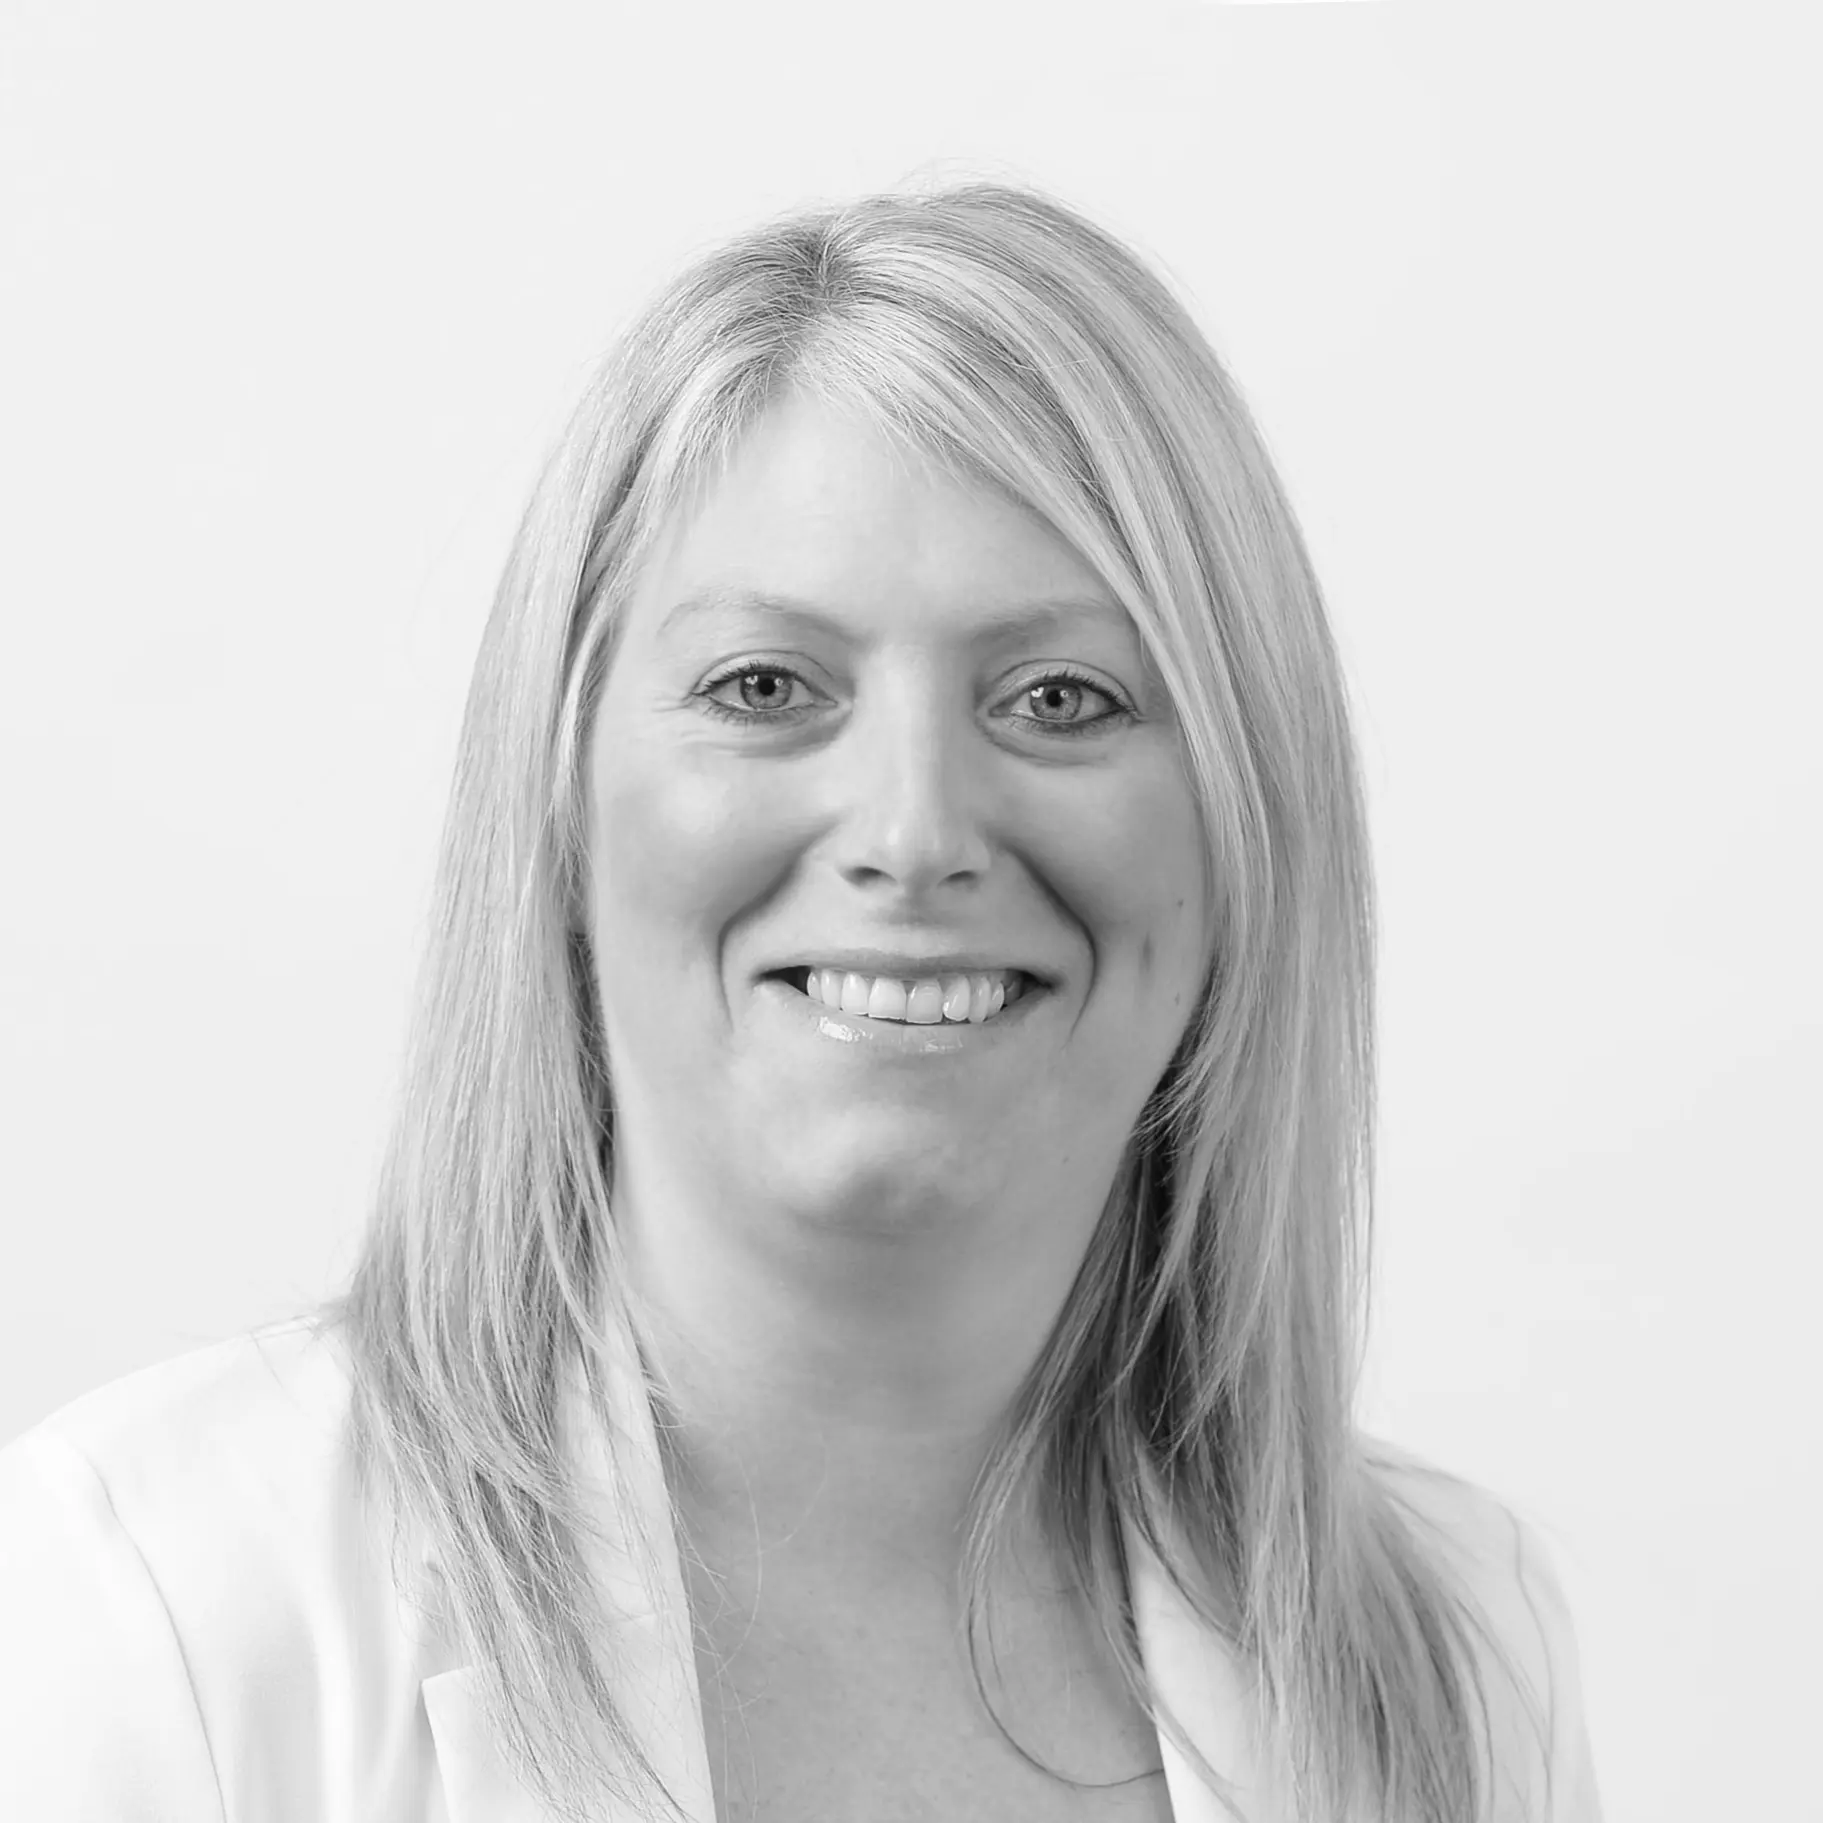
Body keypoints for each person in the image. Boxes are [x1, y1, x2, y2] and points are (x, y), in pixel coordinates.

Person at [0, 180, 1602, 1823]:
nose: (912, 832)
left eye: (1061, 697)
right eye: (763, 686)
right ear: (556, 798)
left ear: (1249, 817)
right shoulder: (158, 1609)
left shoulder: (1459, 1651)